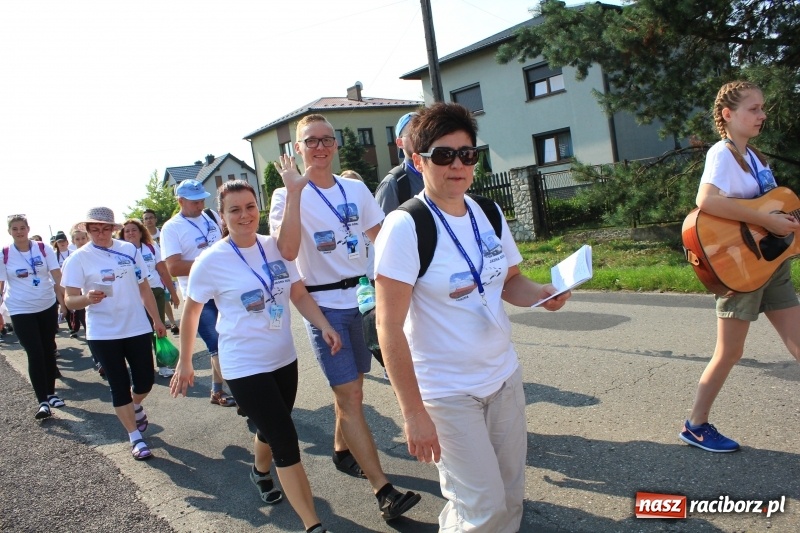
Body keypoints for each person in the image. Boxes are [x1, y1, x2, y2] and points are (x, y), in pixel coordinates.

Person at [374, 103, 571, 532]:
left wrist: (541, 294)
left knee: (509, 494)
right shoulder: (405, 226)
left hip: (503, 379)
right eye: (443, 155)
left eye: (467, 154)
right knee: (483, 509)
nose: (457, 164)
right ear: (416, 160)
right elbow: (388, 327)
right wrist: (412, 413)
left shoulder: (488, 213)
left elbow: (509, 281)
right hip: (447, 393)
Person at [270, 114, 421, 522]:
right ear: (297, 149)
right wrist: (295, 192)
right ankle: (384, 492)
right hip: (323, 308)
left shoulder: (354, 188)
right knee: (350, 396)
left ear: (335, 145)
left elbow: (382, 237)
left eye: (326, 140)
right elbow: (286, 251)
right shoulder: (286, 196)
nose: (319, 147)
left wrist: (417, 277)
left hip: (362, 299)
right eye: (310, 141)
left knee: (353, 389)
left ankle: (341, 451)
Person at [171, 180, 340, 533]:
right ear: (223, 216)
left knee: (271, 424)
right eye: (234, 209)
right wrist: (185, 361)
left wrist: (323, 324)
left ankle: (259, 471)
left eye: (249, 207)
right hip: (244, 365)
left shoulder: (274, 247)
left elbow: (297, 291)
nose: (244, 215)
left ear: (257, 209)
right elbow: (190, 312)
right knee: (284, 437)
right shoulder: (210, 261)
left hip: (283, 358)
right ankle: (313, 524)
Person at [679, 81, 800, 453]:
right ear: (728, 115)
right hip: (739, 267)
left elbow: (773, 211)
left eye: (763, 108)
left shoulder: (758, 160)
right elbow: (707, 200)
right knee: (729, 353)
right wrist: (773, 223)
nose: (762, 115)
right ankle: (696, 426)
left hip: (771, 265)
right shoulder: (722, 153)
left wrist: (781, 225)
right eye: (754, 109)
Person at [62, 207, 167, 460]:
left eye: (105, 228)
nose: (100, 233)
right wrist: (86, 298)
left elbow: (144, 287)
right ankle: (135, 437)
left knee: (145, 381)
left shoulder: (129, 250)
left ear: (113, 229)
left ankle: (136, 405)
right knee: (118, 385)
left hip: (136, 327)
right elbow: (69, 300)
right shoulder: (77, 259)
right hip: (103, 332)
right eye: (94, 229)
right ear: (86, 230)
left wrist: (156, 319)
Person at [161, 179, 236, 408]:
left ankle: (217, 390)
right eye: (194, 201)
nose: (200, 204)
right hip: (199, 296)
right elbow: (173, 267)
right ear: (180, 201)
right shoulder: (172, 228)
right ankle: (244, 395)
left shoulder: (212, 215)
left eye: (202, 198)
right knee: (217, 344)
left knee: (225, 342)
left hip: (225, 289)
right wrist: (209, 263)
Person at [0, 214, 67, 419]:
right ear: (9, 231)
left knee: (48, 349)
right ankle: (42, 402)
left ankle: (51, 393)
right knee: (34, 352)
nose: (19, 232)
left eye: (22, 228)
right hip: (20, 309)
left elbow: (56, 276)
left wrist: (64, 301)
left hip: (46, 304)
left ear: (28, 229)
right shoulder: (4, 254)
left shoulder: (42, 248)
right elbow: (1, 286)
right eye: (15, 229)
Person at [119, 218, 180, 377]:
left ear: (141, 232)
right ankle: (141, 366)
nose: (131, 233)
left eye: (134, 230)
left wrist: (173, 293)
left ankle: (163, 365)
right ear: (122, 235)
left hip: (156, 292)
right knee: (139, 332)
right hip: (133, 296)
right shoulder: (120, 252)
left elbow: (163, 270)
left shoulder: (151, 248)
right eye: (127, 231)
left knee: (158, 326)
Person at [374, 112, 424, 215]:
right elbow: (384, 229)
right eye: (413, 134)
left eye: (424, 133)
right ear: (400, 143)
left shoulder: (442, 173)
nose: (420, 139)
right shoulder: (392, 184)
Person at [143, 209, 179, 335]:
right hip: (154, 273)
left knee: (167, 297)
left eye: (151, 217)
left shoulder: (162, 233)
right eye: (146, 218)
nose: (149, 220)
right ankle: (165, 323)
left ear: (155, 219)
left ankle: (173, 322)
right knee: (161, 297)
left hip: (167, 268)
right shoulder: (143, 238)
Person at [65, 226, 88, 338]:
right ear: (73, 241)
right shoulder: (71, 259)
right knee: (83, 320)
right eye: (77, 239)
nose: (81, 241)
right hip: (79, 295)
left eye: (83, 238)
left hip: (93, 292)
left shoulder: (94, 254)